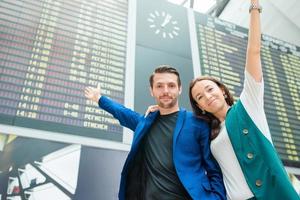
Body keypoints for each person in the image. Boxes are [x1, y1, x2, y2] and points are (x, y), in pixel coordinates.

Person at [188, 0, 300, 199]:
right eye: (199, 97)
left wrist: (254, 8)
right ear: (200, 107)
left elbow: (254, 52)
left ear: (222, 90)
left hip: (272, 194)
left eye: (209, 89)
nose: (207, 96)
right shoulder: (208, 134)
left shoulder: (248, 106)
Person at [84, 65, 226, 200]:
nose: (165, 91)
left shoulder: (198, 122)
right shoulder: (145, 122)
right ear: (151, 90)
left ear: (179, 89)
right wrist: (99, 98)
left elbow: (213, 169)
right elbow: (122, 112)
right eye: (159, 86)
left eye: (171, 85)